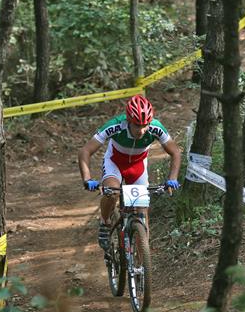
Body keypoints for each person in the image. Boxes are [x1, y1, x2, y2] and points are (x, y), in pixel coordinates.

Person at [78, 94, 182, 251]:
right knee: (111, 193)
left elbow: (175, 152)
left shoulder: (156, 127)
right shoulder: (115, 125)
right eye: (136, 125)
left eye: (145, 125)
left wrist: (172, 178)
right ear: (128, 121)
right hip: (115, 163)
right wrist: (87, 178)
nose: (141, 130)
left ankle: (142, 259)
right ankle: (105, 223)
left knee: (142, 209)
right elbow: (85, 151)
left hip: (137, 166)